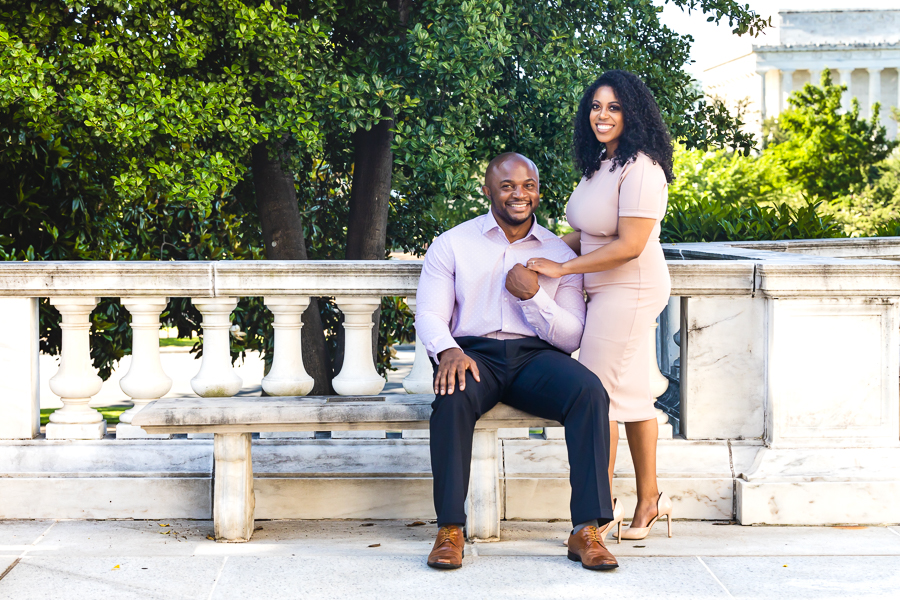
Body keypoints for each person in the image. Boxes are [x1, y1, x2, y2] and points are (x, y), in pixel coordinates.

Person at [415, 152, 618, 571]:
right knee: (452, 397)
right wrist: (448, 350)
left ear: (538, 193)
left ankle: (586, 528)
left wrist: (534, 296)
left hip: (534, 357)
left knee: (589, 392)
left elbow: (570, 337)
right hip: (473, 354)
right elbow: (430, 313)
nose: (518, 194)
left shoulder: (558, 253)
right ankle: (450, 529)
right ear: (488, 191)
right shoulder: (453, 243)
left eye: (527, 185)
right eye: (506, 185)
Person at [527, 70, 675, 541]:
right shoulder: (603, 164)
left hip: (630, 289)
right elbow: (585, 233)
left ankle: (599, 509)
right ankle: (650, 499)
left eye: (613, 107)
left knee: (598, 395)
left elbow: (631, 244)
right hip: (603, 289)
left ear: (632, 113)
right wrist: (537, 251)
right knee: (629, 395)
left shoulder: (642, 169)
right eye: (595, 106)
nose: (602, 115)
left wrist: (562, 270)